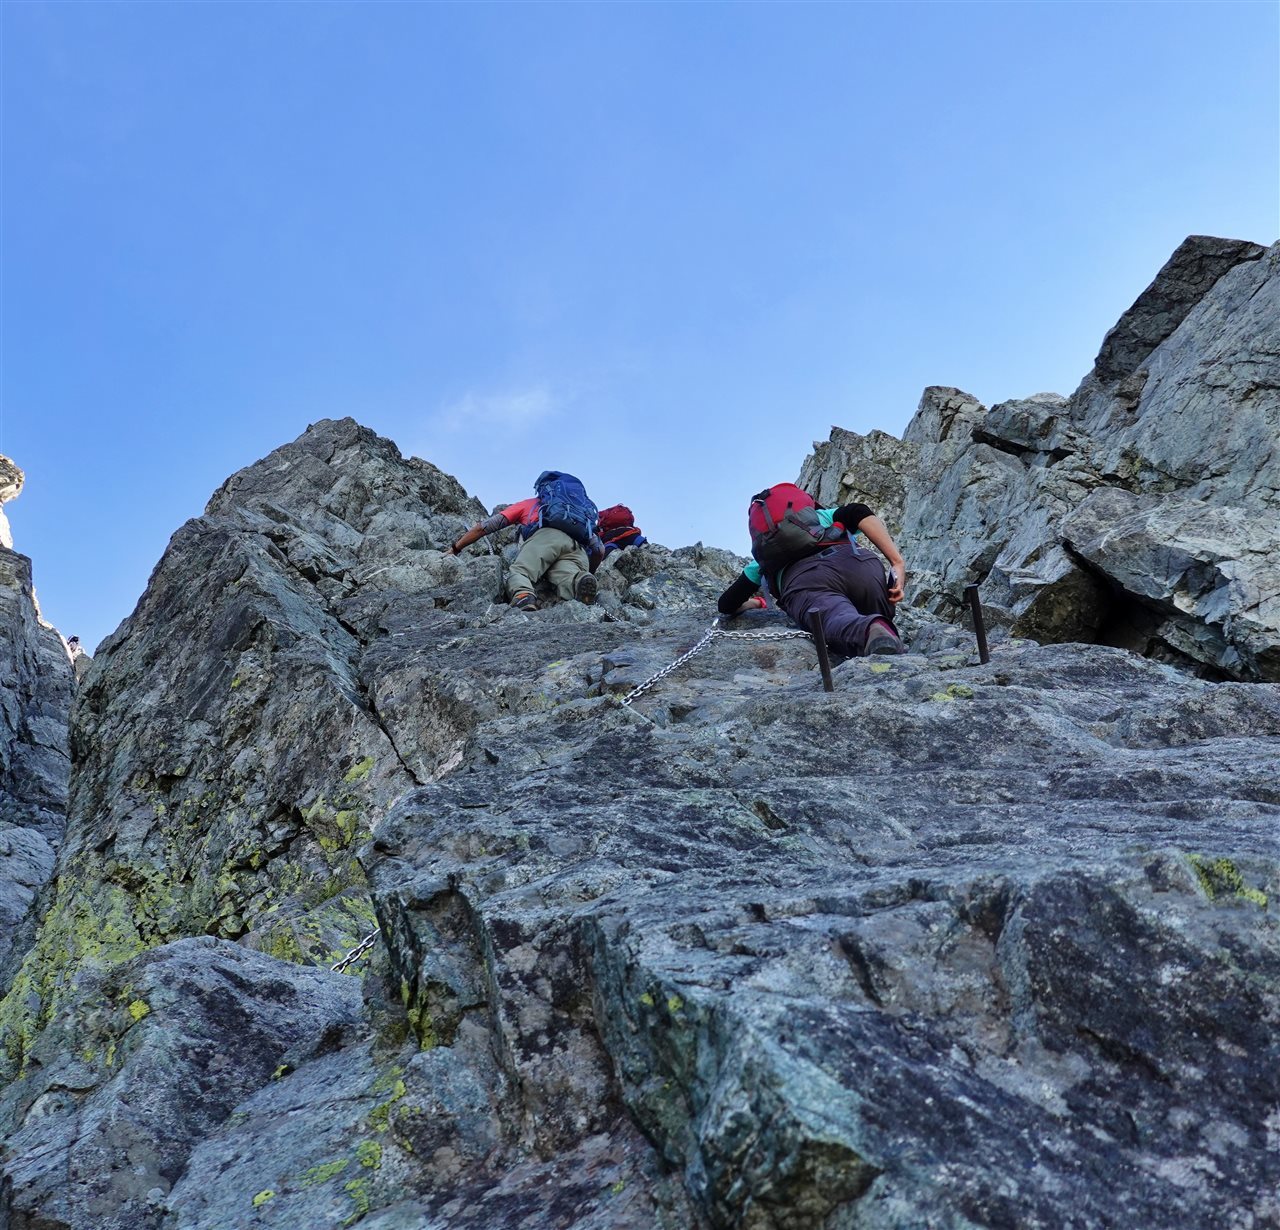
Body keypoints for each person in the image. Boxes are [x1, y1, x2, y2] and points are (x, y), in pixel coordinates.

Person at [718, 484, 907, 657]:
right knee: (879, 610)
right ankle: (884, 634)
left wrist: (756, 603)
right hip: (860, 567)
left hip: (806, 583)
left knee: (834, 617)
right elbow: (859, 511)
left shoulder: (763, 559)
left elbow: (726, 604)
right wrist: (897, 562)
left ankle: (871, 630)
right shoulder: (821, 518)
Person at [445, 471, 604, 612]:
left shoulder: (531, 504)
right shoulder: (582, 515)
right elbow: (599, 550)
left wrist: (456, 548)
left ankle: (523, 596)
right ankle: (578, 582)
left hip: (547, 538)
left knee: (521, 572)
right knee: (567, 576)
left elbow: (485, 527)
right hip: (577, 548)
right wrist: (591, 571)